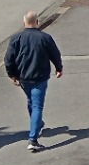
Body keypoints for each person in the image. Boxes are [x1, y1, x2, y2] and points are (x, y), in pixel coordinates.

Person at [4, 12, 63, 152]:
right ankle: (33, 139)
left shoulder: (16, 38)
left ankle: (37, 124)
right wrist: (58, 67)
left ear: (24, 22)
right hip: (40, 77)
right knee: (37, 106)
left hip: (23, 77)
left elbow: (8, 59)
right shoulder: (45, 38)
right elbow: (55, 53)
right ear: (37, 22)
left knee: (31, 101)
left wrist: (12, 75)